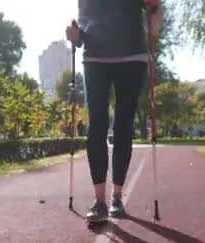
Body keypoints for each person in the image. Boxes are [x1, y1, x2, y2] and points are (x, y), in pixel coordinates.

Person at [66, 0, 163, 224]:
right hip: (95, 58)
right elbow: (83, 26)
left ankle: (116, 197)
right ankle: (99, 201)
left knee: (123, 125)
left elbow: (154, 14)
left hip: (132, 56)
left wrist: (154, 8)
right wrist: (75, 36)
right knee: (97, 124)